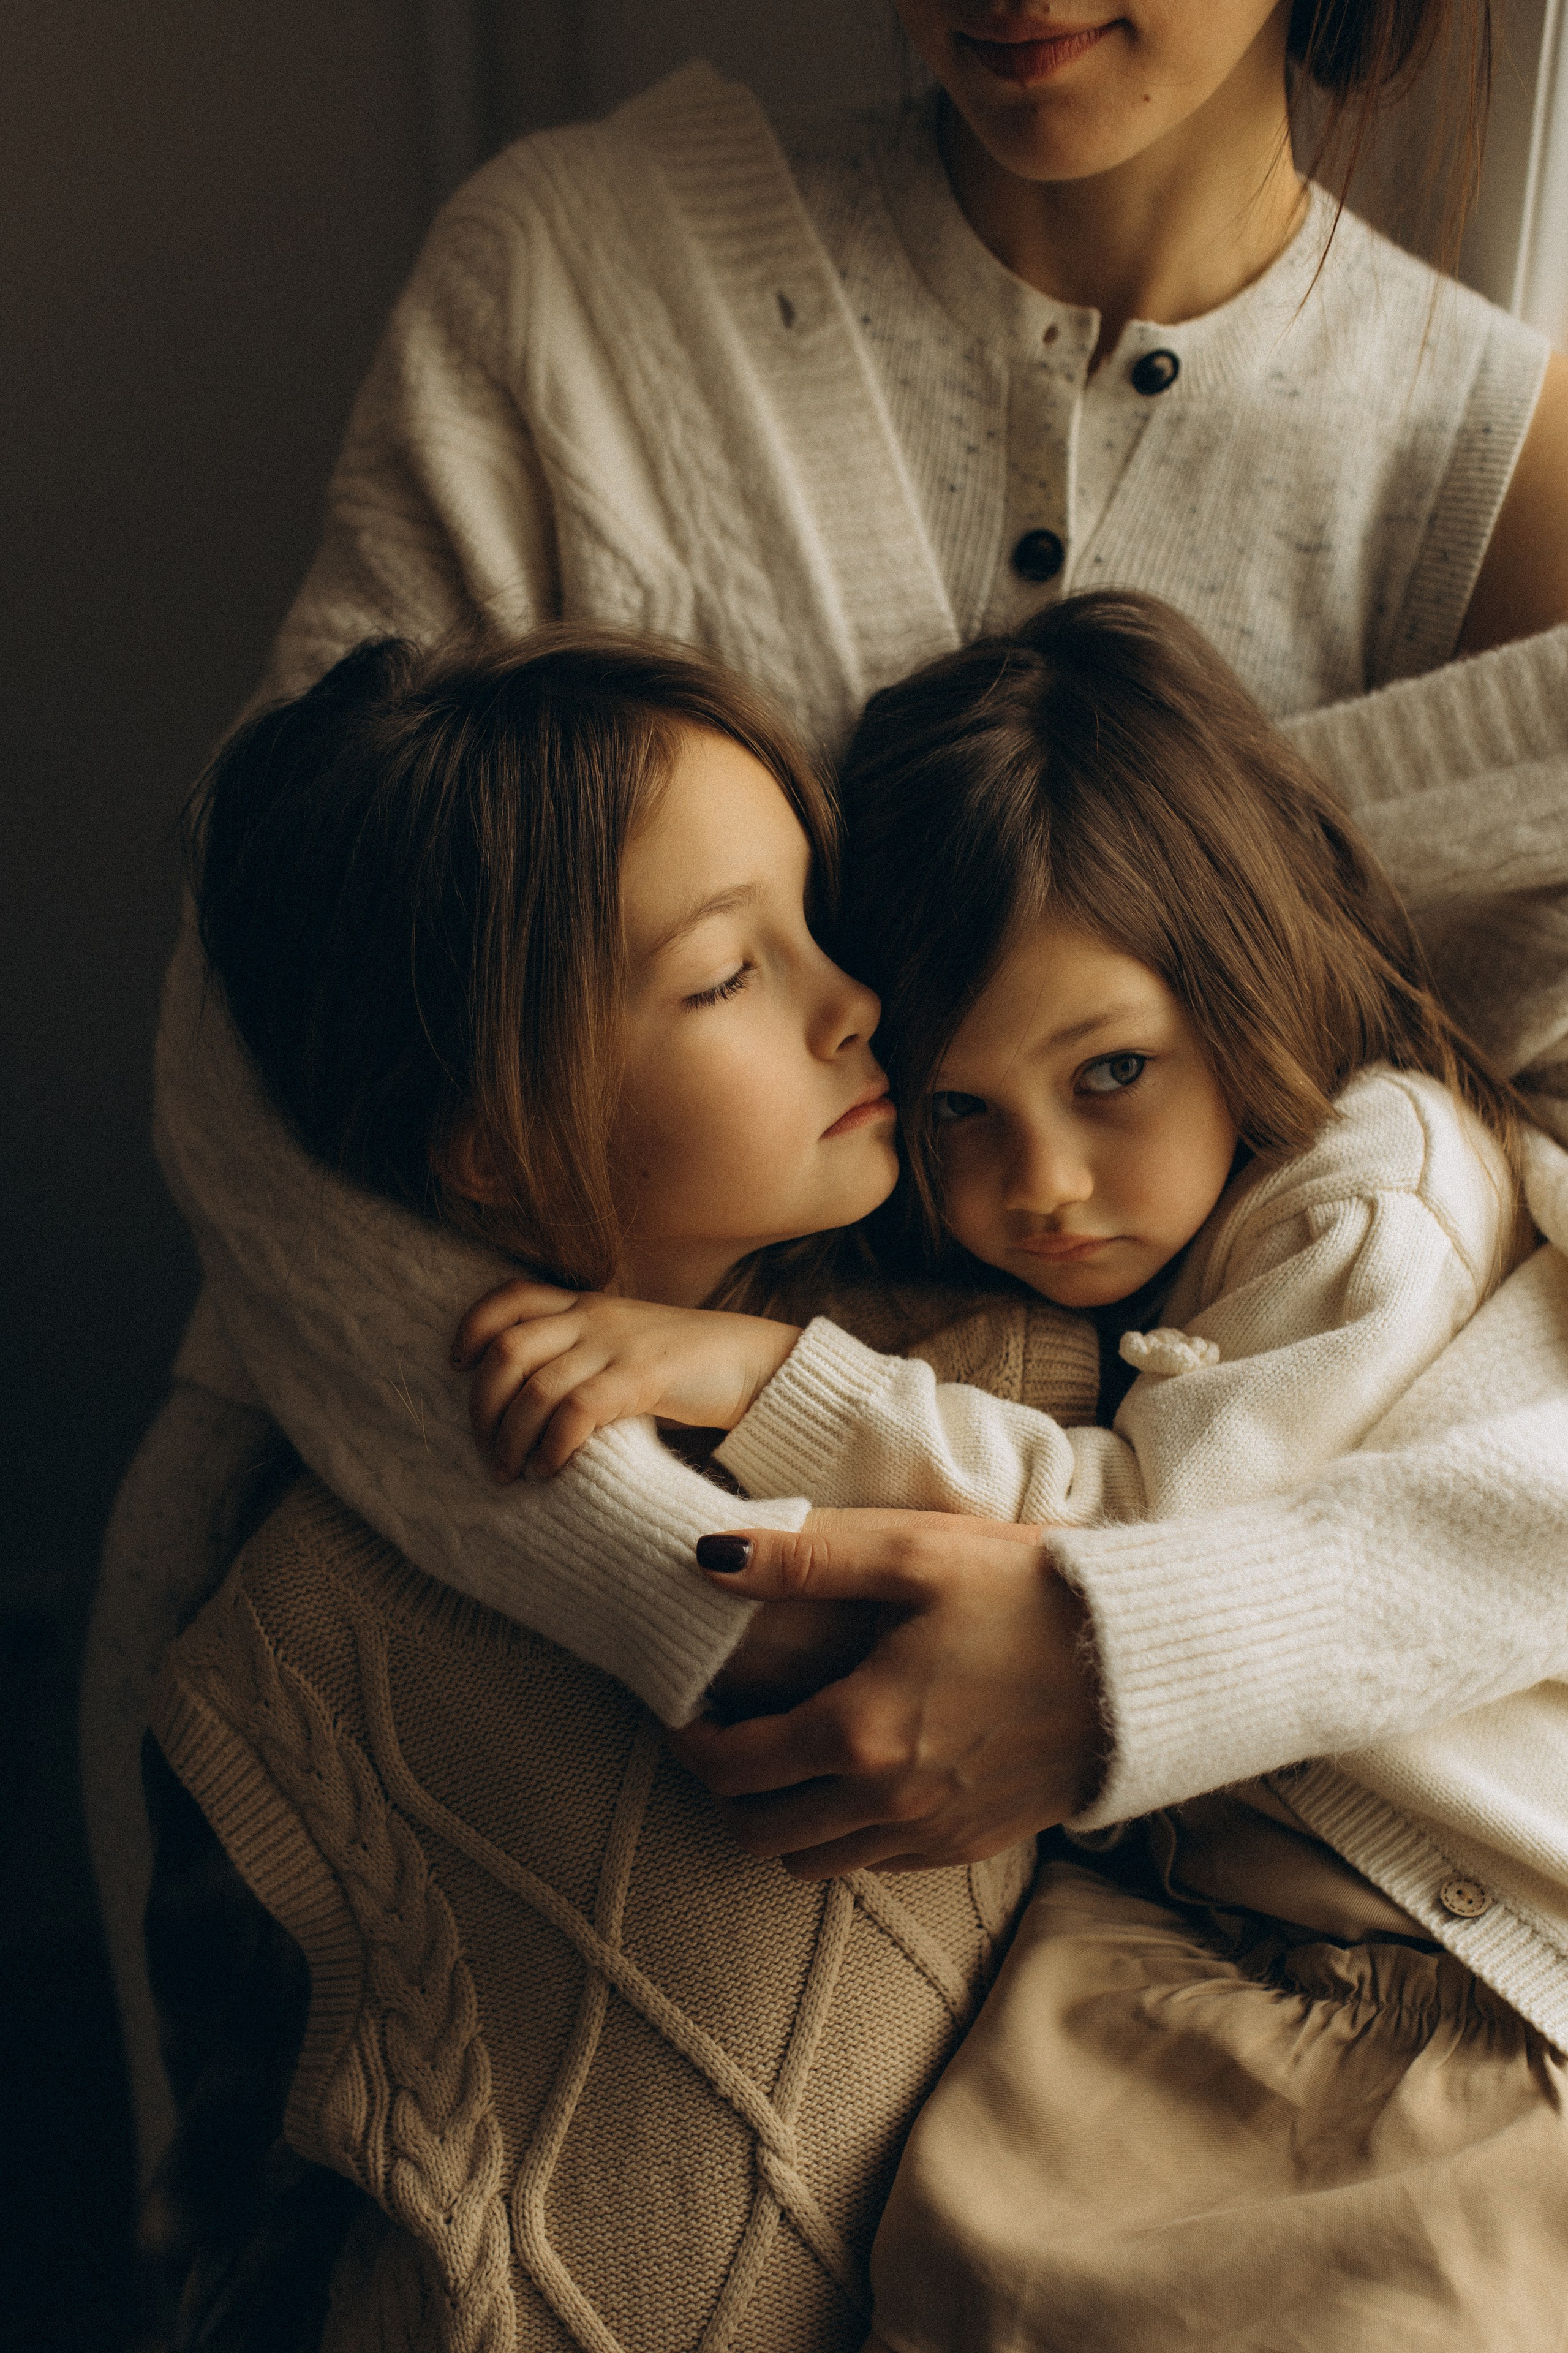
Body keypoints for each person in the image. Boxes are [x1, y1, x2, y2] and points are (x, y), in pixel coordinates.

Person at [89, 0, 1568, 2167]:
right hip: (428, 1612)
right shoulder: (582, 281)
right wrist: (697, 1587)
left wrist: (1126, 1654)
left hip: (1172, 1912)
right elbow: (258, 1063)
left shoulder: (1508, 483)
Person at [453, 591, 1568, 2344]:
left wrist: (764, 1377)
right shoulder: (1108, 1251)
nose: (1041, 1183)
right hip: (1220, 1936)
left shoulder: (1374, 1191)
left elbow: (1145, 1551)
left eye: (1111, 1071)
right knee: (970, 2263)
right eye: (960, 1110)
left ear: (1243, 977)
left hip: (1461, 1960)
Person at [148, 624, 1090, 2346]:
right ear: (487, 1139)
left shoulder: (1017, 1384)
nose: (853, 1001)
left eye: (820, 919)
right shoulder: (298, 1634)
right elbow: (238, 2209)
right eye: (728, 976)